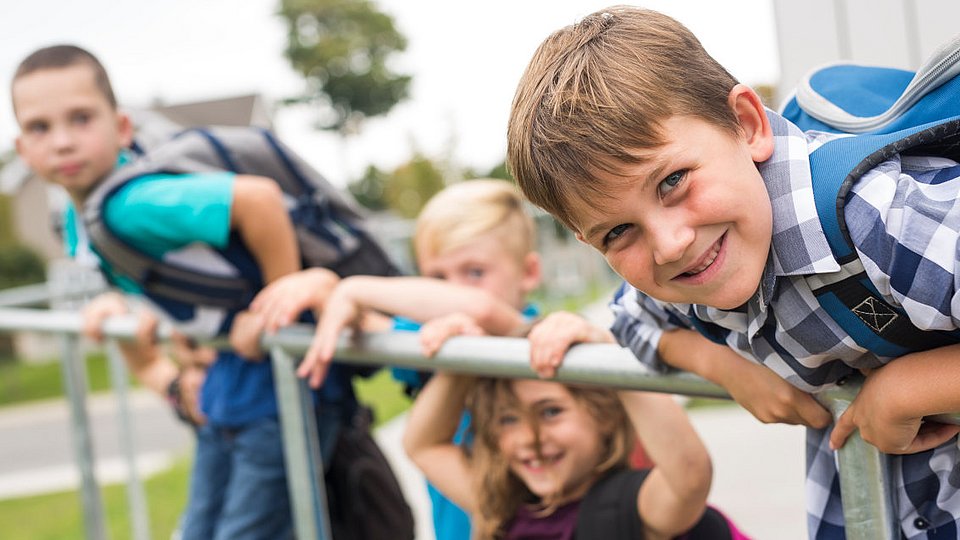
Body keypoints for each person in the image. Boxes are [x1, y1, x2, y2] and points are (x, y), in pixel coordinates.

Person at [506, 6, 960, 538]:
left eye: (672, 181)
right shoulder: (685, 272)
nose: (670, 245)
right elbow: (632, 320)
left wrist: (916, 389)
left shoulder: (879, 217)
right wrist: (724, 367)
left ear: (747, 125)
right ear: (589, 242)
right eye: (618, 232)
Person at [10, 44, 398, 540]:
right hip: (233, 387)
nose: (62, 142)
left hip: (275, 389)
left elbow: (257, 199)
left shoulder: (132, 203)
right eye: (40, 127)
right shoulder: (76, 219)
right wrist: (118, 304)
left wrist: (275, 304)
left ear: (122, 128)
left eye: (81, 118)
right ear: (22, 148)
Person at [233, 178, 542, 540]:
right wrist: (315, 291)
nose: (451, 290)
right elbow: (364, 323)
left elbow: (483, 312)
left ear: (529, 273)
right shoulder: (432, 335)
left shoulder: (536, 340)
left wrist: (350, 289)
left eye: (474, 272)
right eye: (436, 277)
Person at [401, 306, 747, 540]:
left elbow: (689, 476)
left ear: (606, 416)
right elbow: (425, 445)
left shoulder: (635, 507)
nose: (528, 439)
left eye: (550, 411)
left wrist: (612, 356)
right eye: (507, 419)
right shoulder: (504, 509)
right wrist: (465, 357)